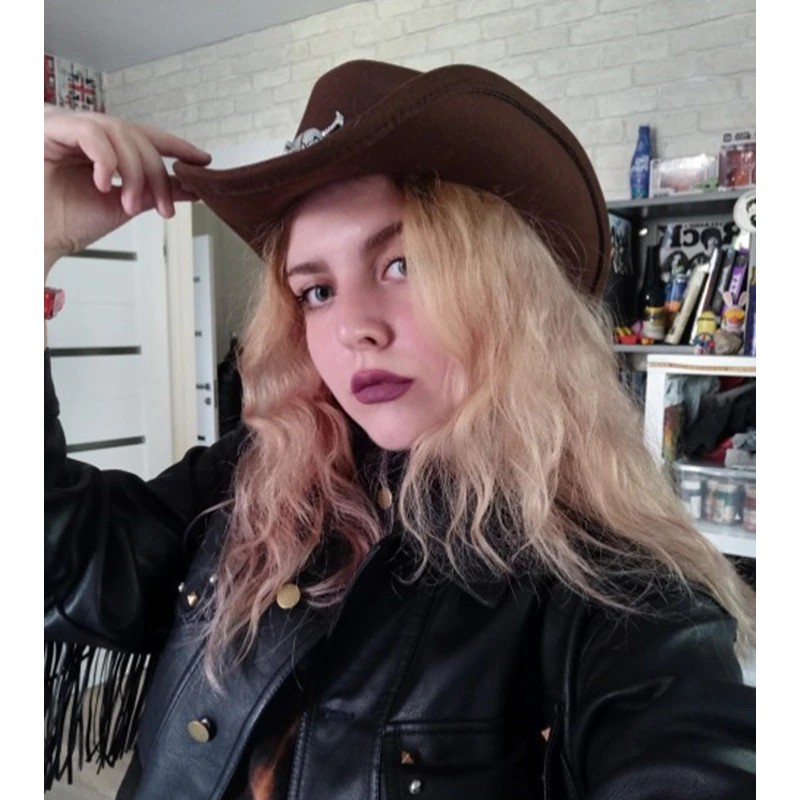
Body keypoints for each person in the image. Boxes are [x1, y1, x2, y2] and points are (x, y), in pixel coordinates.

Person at [45, 61, 755, 800]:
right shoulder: (259, 473)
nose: (354, 328)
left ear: (510, 291)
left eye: (402, 264)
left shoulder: (612, 588)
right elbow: (57, 559)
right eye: (317, 291)